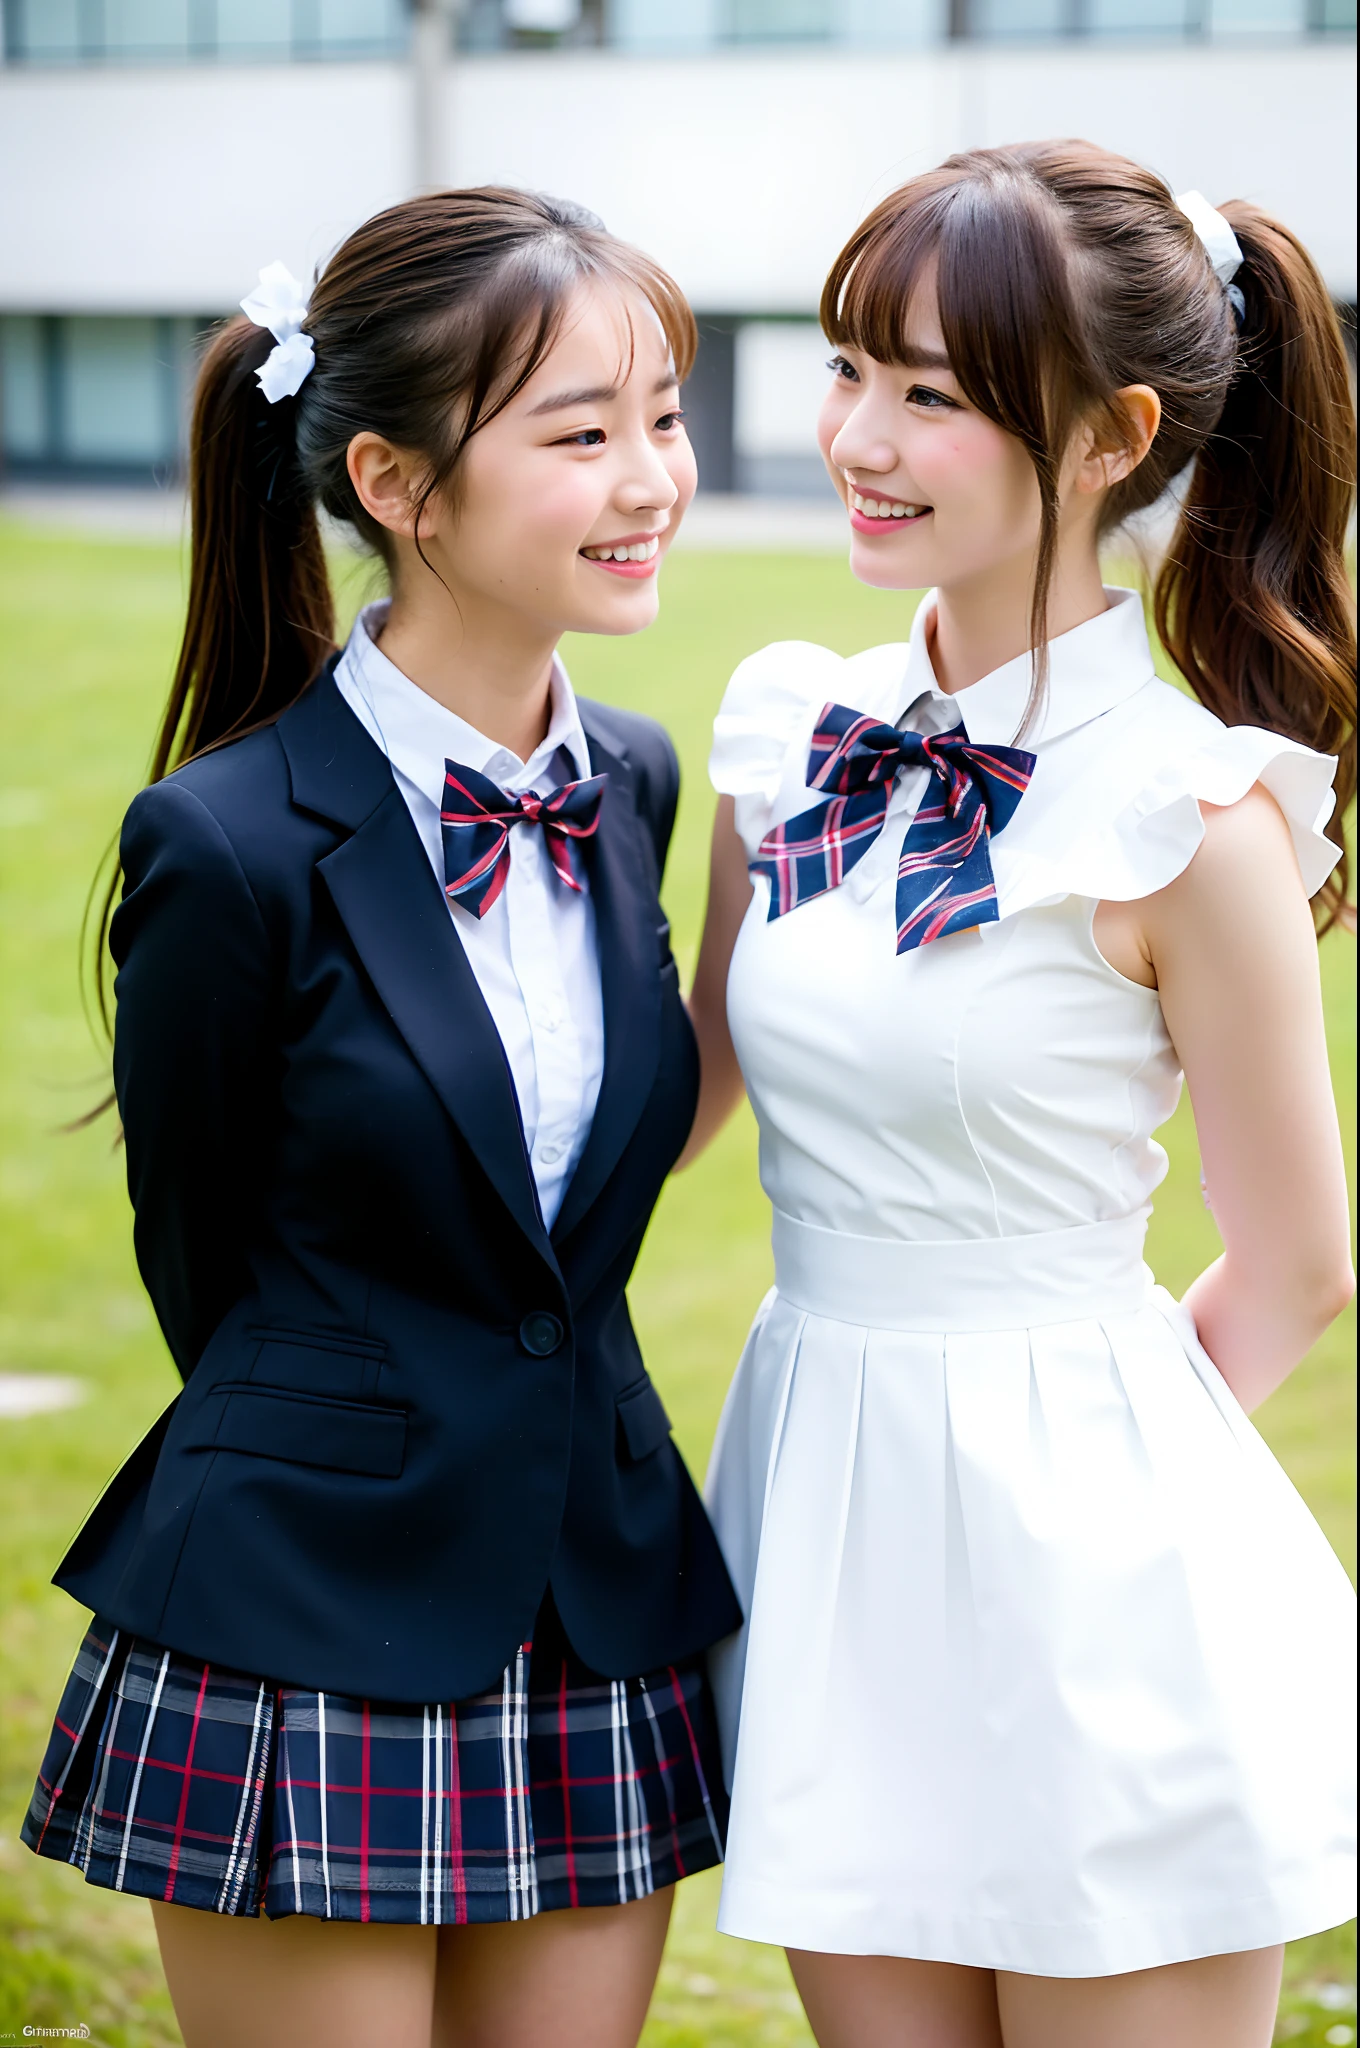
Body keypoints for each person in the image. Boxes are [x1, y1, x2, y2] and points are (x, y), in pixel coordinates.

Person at [22, 187, 741, 2048]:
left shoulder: (638, 787)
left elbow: (581, 1182)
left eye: (664, 412)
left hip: (601, 1601)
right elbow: (203, 1257)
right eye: (581, 432)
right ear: (398, 485)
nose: (654, 473)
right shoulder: (228, 840)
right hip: (308, 1608)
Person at [684, 142, 1356, 2048]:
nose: (856, 437)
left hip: (1100, 1579)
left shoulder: (1186, 815)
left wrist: (1064, 1472)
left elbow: (1300, 1263)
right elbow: (678, 1096)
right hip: (824, 1542)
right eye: (847, 370)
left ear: (1110, 434)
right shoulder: (788, 736)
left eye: (931, 395)